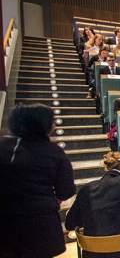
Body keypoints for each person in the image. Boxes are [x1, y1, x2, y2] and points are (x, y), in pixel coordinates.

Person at [0, 103, 76, 258]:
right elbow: (66, 190)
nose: (55, 125)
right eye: (52, 121)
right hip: (40, 224)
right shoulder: (54, 152)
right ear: (42, 124)